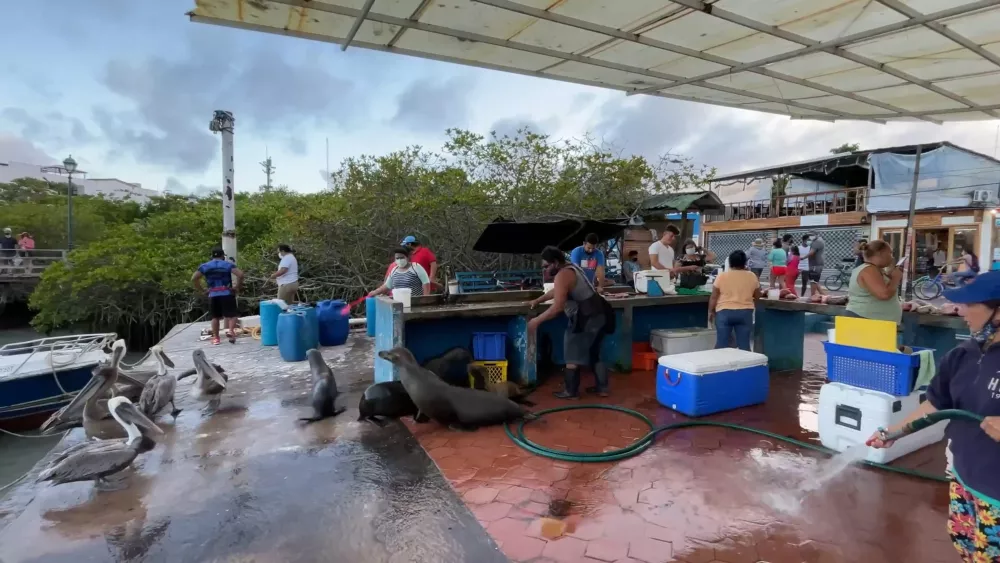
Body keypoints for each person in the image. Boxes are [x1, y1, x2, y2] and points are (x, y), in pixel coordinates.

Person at [867, 272, 1000, 561]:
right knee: (966, 546)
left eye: (969, 304)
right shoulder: (961, 355)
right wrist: (893, 433)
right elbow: (935, 405)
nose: (960, 310)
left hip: (997, 492)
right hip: (965, 477)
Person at [528, 246, 614, 399]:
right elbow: (558, 290)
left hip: (585, 317)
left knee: (571, 354)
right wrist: (538, 300)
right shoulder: (572, 268)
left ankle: (571, 392)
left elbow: (558, 307)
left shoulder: (563, 274)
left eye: (546, 266)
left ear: (555, 262)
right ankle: (603, 389)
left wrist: (536, 320)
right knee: (595, 352)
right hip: (600, 313)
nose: (545, 270)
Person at [708, 250, 760, 351]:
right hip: (745, 313)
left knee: (722, 345)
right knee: (744, 346)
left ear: (730, 262)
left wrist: (710, 311)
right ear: (744, 262)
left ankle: (720, 366)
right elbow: (758, 295)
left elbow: (714, 296)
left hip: (724, 313)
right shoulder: (751, 276)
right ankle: (746, 366)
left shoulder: (722, 276)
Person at [192, 247, 244, 345]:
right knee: (232, 315)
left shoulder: (205, 266)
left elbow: (194, 278)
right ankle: (230, 331)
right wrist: (237, 287)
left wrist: (202, 290)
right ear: (222, 256)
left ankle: (216, 338)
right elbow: (241, 275)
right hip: (226, 292)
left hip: (213, 293)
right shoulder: (227, 265)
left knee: (215, 317)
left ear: (212, 256)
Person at [845, 240, 902, 323]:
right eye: (890, 253)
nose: (892, 257)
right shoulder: (869, 270)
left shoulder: (874, 269)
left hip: (872, 320)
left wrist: (890, 277)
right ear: (880, 253)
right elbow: (884, 295)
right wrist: (895, 278)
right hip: (866, 320)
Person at [803, 232, 826, 297]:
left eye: (811, 235)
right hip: (814, 264)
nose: (809, 237)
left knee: (813, 281)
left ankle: (813, 295)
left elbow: (812, 252)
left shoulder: (817, 241)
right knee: (815, 281)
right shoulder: (815, 241)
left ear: (816, 235)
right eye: (809, 235)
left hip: (816, 264)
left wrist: (803, 257)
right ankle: (823, 295)